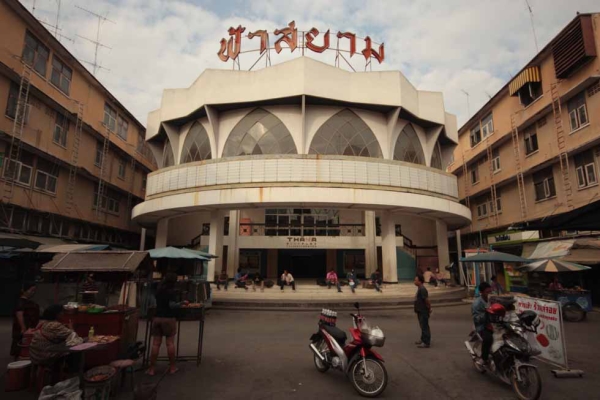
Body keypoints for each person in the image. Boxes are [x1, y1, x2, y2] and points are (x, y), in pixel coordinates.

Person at [147, 273, 187, 376]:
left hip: (157, 317)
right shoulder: (171, 292)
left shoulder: (158, 291)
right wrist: (181, 304)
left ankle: (152, 369)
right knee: (170, 343)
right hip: (168, 318)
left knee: (156, 343)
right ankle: (172, 367)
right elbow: (172, 305)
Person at [11, 282, 40, 359]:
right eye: (31, 290)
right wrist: (23, 327)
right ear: (24, 290)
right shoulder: (20, 302)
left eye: (34, 291)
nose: (33, 293)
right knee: (21, 343)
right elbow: (19, 314)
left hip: (29, 326)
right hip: (23, 326)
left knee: (26, 343)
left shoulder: (28, 302)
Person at [472, 282, 493, 367]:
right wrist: (486, 314)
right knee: (488, 339)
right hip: (483, 326)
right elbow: (476, 319)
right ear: (482, 292)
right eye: (487, 292)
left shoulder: (493, 300)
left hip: (495, 324)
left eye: (490, 292)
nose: (489, 294)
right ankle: (484, 359)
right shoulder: (477, 303)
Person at [414, 275, 432, 348]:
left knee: (424, 326)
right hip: (419, 310)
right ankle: (423, 339)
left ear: (420, 281)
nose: (414, 281)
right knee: (422, 325)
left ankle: (426, 342)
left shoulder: (422, 289)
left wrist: (429, 308)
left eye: (416, 280)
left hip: (423, 310)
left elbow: (426, 300)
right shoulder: (419, 288)